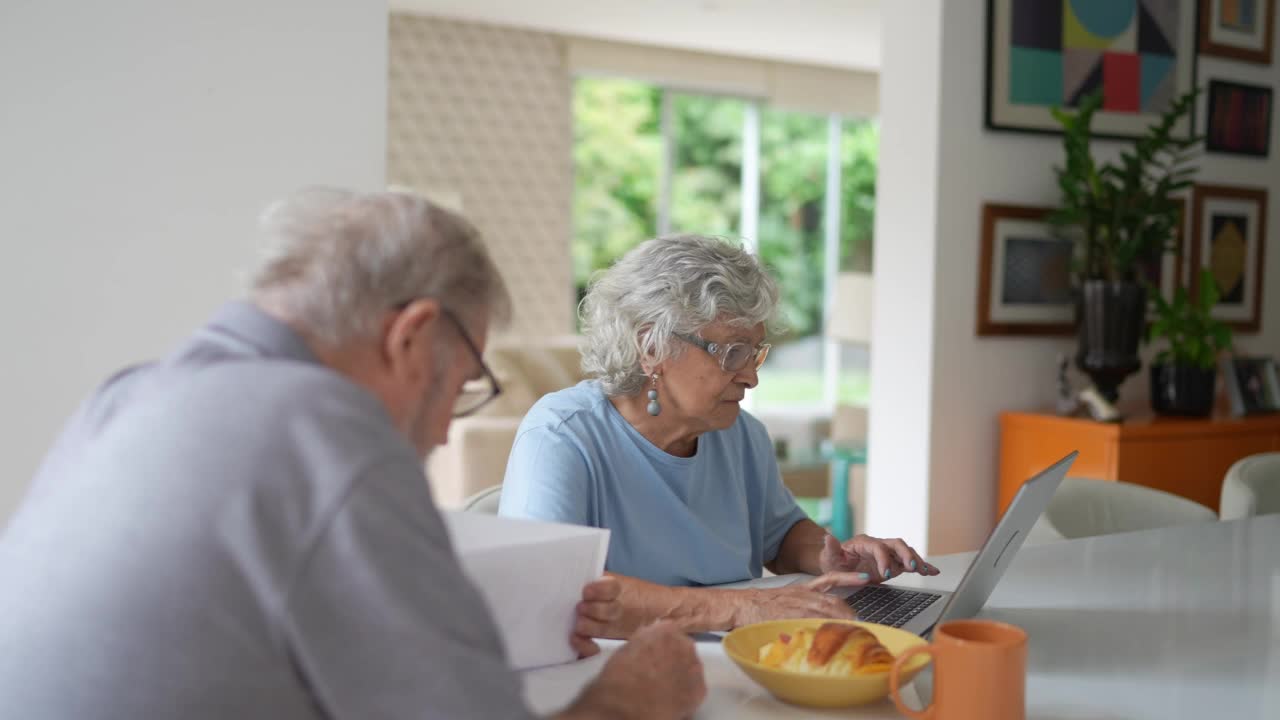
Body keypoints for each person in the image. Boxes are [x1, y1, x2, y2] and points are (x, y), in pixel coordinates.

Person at [0, 189, 704, 720]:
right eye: (461, 386)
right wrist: (625, 698)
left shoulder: (130, 396)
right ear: (411, 335)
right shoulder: (325, 429)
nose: (442, 437)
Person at [499, 235, 940, 637]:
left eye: (755, 353)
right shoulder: (561, 436)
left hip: (735, 657)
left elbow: (780, 535)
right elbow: (546, 586)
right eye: (731, 352)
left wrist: (834, 556)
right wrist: (742, 608)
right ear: (651, 347)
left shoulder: (741, 434)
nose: (751, 377)